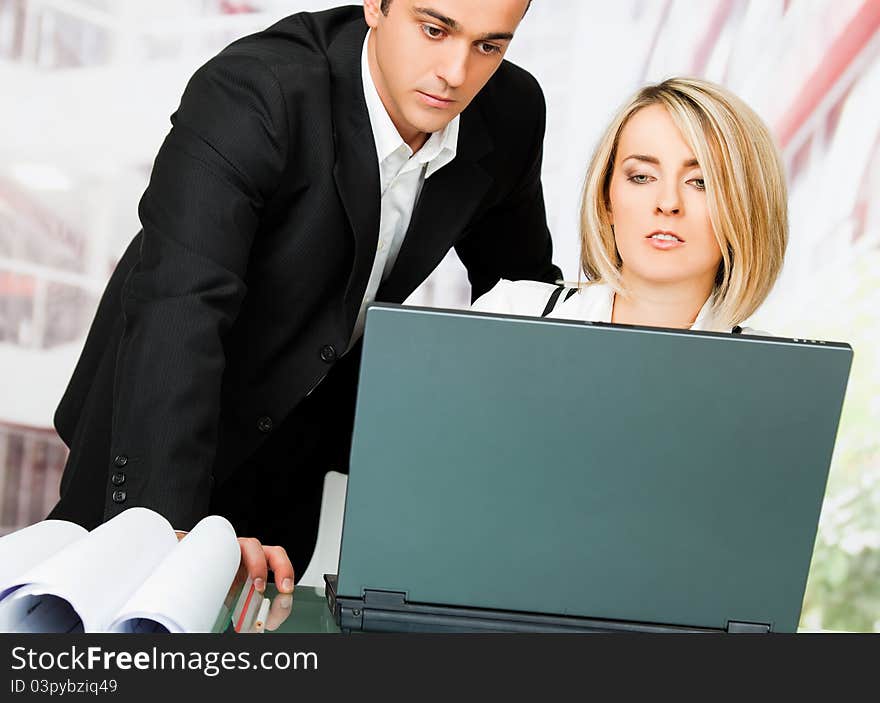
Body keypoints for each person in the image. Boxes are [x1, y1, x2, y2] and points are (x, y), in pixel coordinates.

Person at [48, 0, 560, 595]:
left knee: (262, 647)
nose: (456, 72)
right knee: (111, 638)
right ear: (376, 6)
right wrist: (172, 529)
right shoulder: (254, 91)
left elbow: (521, 288)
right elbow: (180, 305)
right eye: (434, 29)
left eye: (489, 46)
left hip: (293, 430)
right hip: (156, 419)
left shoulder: (510, 110)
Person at [473, 77, 787, 335]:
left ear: (746, 209)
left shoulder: (776, 373)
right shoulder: (511, 313)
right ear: (606, 199)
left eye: (700, 182)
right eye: (641, 177)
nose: (667, 203)